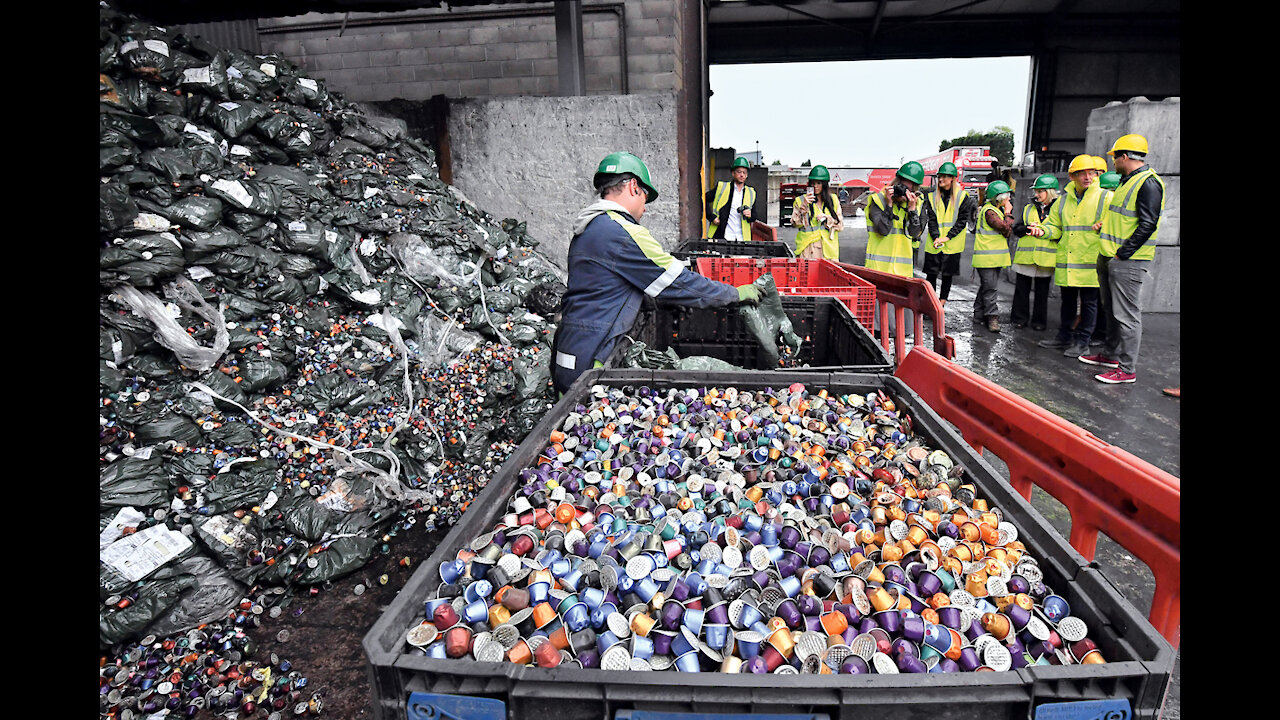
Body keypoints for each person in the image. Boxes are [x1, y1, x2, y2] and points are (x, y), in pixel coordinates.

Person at [552, 152, 760, 395]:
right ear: (632, 186)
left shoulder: (591, 227)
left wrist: (657, 302)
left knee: (565, 422)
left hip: (570, 349)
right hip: (592, 359)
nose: (644, 208)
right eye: (645, 198)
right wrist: (735, 293)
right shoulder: (624, 233)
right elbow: (680, 283)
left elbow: (606, 285)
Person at [1080, 133, 1166, 384]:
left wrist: (1123, 253)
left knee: (1127, 315)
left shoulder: (1149, 183)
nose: (1113, 162)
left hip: (1127, 260)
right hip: (1111, 256)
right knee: (1113, 311)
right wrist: (1104, 225)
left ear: (1125, 156)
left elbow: (1148, 224)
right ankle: (1111, 355)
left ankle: (1127, 369)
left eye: (1115, 157)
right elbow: (1124, 218)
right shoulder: (1127, 181)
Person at [1032, 155, 1107, 358]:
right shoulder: (1063, 201)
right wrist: (1042, 231)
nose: (1087, 177)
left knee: (1090, 303)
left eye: (1091, 173)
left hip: (1090, 260)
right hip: (1068, 260)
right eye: (1082, 173)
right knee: (1068, 301)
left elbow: (1116, 224)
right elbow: (1055, 226)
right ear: (1072, 176)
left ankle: (1083, 342)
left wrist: (1105, 226)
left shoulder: (1105, 197)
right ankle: (1064, 336)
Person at [921, 161, 975, 306]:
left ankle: (941, 303)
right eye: (939, 177)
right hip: (935, 243)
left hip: (952, 245)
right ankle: (931, 304)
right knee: (931, 275)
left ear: (952, 178)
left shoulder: (963, 197)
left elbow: (961, 221)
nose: (941, 180)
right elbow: (931, 220)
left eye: (944, 177)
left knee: (947, 276)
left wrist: (947, 237)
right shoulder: (932, 197)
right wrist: (936, 237)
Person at [1009, 174, 1059, 329]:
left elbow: (1061, 230)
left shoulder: (1058, 209)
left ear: (1050, 192)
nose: (1036, 195)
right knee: (1021, 291)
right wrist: (1027, 228)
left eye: (1040, 191)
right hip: (1026, 257)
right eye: (1036, 191)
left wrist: (1044, 231)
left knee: (1042, 293)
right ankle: (1019, 319)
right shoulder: (1028, 208)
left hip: (1045, 258)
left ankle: (1039, 322)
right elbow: (1016, 229)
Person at [865, 161, 926, 278]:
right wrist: (889, 205)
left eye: (908, 188)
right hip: (877, 269)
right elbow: (883, 230)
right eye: (901, 186)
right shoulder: (878, 200)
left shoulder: (917, 203)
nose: (903, 192)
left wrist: (912, 211)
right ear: (895, 183)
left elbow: (914, 233)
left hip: (903, 273)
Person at [971, 179, 1015, 332]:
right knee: (991, 289)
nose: (1009, 199)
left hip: (992, 258)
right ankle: (992, 318)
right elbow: (1004, 227)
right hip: (987, 258)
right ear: (999, 197)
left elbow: (1008, 231)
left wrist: (1007, 221)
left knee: (986, 287)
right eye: (1007, 196)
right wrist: (1008, 213)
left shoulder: (996, 210)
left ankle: (978, 314)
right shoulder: (990, 211)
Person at [791, 165, 843, 260]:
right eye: (813, 183)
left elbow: (840, 226)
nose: (815, 186)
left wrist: (828, 219)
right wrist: (804, 206)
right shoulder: (800, 200)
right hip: (808, 249)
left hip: (829, 251)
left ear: (824, 184)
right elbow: (795, 223)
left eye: (819, 183)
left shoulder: (833, 200)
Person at [705, 156, 760, 241]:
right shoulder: (722, 188)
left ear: (747, 175)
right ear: (733, 173)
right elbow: (703, 199)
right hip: (723, 236)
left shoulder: (751, 192)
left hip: (742, 238)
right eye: (739, 172)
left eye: (744, 172)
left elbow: (754, 216)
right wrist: (711, 217)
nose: (742, 175)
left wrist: (750, 215)